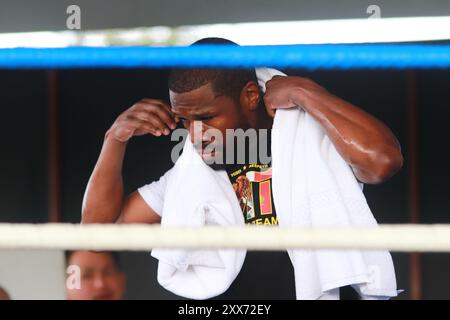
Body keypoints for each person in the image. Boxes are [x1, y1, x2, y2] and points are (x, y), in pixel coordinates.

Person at [81, 37, 403, 299]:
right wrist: (115, 138)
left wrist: (306, 92)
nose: (194, 135)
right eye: (185, 121)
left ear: (250, 95)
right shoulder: (189, 177)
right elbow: (97, 236)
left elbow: (382, 161)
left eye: (206, 118)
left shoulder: (311, 142)